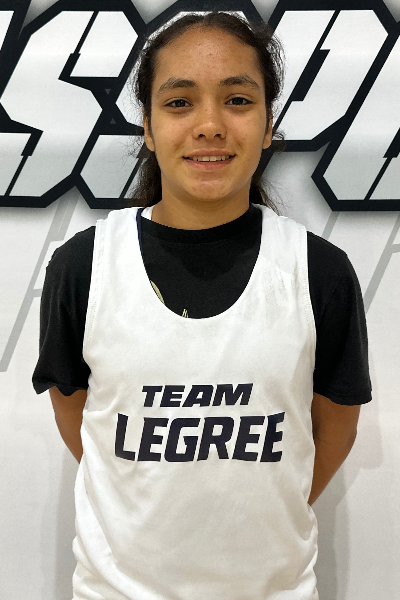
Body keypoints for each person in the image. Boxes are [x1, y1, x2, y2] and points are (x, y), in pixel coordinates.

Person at [32, 11, 372, 600]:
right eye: (179, 103)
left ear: (268, 125)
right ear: (147, 125)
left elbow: (335, 426)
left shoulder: (318, 271)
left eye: (238, 100)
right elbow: (79, 418)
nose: (210, 125)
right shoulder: (85, 266)